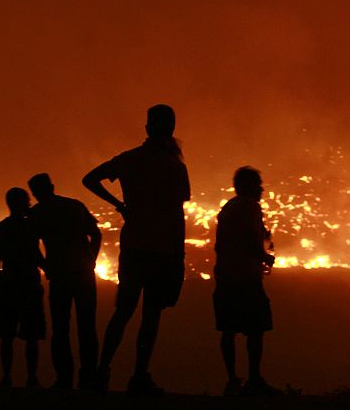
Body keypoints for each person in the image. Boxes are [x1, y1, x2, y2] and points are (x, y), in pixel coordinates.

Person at [82, 104, 190, 395]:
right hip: (163, 249)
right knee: (151, 315)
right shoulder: (175, 166)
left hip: (135, 246)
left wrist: (119, 205)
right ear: (171, 130)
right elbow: (177, 211)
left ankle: (101, 371)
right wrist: (179, 255)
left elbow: (90, 179)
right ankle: (139, 375)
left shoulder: (131, 159)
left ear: (147, 129)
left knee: (123, 311)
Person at [28, 173, 102, 390]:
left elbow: (31, 246)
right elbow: (96, 235)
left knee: (60, 328)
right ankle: (88, 378)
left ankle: (64, 379)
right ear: (52, 186)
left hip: (60, 275)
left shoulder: (37, 213)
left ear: (35, 193)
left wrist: (45, 266)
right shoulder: (74, 206)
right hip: (83, 273)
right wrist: (92, 260)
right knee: (87, 327)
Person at [213, 166, 280, 396]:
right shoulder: (250, 207)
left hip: (226, 276)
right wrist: (265, 257)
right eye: (258, 184)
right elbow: (250, 242)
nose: (261, 188)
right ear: (248, 186)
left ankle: (232, 380)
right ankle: (254, 379)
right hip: (245, 278)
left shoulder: (229, 207)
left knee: (229, 330)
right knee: (256, 328)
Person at [0, 187, 46, 388]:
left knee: (7, 335)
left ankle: (7, 377)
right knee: (31, 335)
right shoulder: (30, 227)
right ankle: (32, 378)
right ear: (20, 203)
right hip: (28, 285)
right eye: (27, 201)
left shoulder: (0, 229)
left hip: (10, 286)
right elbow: (36, 254)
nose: (30, 205)